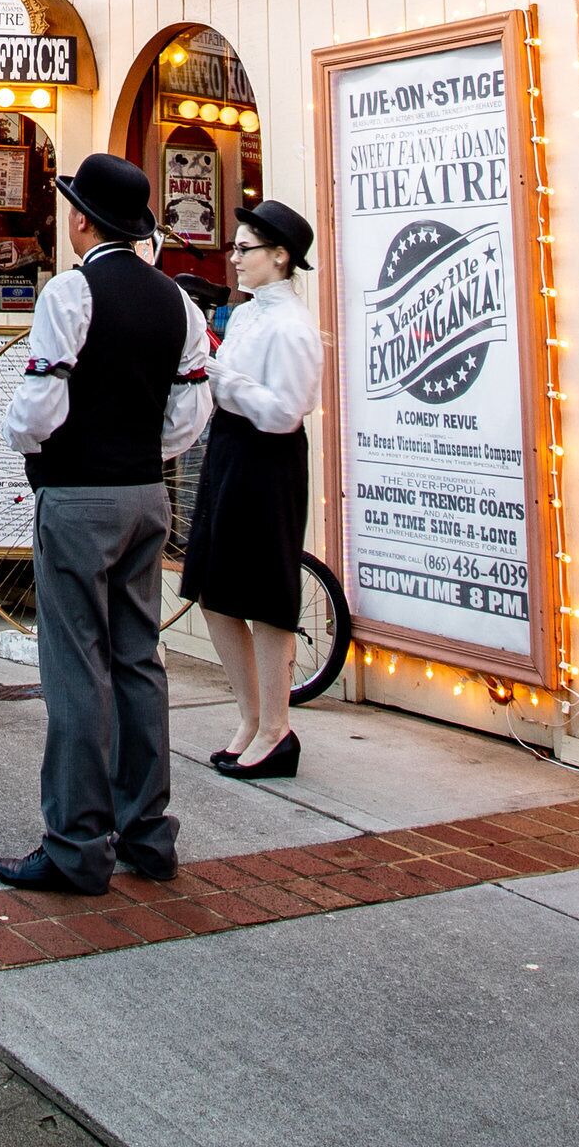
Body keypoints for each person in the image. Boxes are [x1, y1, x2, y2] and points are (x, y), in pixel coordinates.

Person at [0, 150, 211, 895]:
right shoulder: (177, 302)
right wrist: (141, 449)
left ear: (82, 221)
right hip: (147, 494)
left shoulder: (70, 292)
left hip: (79, 494)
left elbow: (39, 408)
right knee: (138, 659)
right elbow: (190, 410)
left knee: (75, 664)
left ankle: (77, 843)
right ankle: (146, 832)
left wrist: (27, 442)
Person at [180, 199, 323, 779]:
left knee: (265, 597)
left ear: (281, 256)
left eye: (246, 248)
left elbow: (286, 412)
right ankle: (251, 716)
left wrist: (224, 379)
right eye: (234, 247)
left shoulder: (293, 326)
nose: (234, 258)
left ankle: (275, 727)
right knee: (214, 590)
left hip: (268, 460)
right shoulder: (245, 316)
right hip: (230, 449)